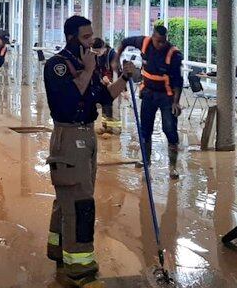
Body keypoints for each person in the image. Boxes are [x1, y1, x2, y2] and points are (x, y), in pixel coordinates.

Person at [44, 15, 124, 287]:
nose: (92, 41)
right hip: (68, 136)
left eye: (92, 36)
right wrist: (89, 69)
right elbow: (70, 99)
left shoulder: (86, 63)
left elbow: (104, 96)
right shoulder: (58, 66)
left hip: (87, 135)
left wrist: (125, 77)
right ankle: (79, 268)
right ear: (71, 38)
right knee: (79, 201)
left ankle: (58, 249)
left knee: (69, 196)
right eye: (86, 37)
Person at [117, 25, 184, 177]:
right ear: (153, 37)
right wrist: (116, 59)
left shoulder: (173, 55)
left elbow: (178, 82)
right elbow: (124, 42)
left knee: (170, 129)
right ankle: (146, 160)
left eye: (164, 41)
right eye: (158, 41)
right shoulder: (144, 42)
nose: (161, 44)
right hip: (148, 93)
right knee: (145, 129)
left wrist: (176, 102)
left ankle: (173, 166)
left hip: (167, 97)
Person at [90, 38, 121, 136]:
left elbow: (118, 72)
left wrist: (112, 82)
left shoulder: (112, 55)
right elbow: (96, 69)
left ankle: (113, 130)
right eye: (94, 51)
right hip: (103, 83)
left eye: (97, 51)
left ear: (103, 48)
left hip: (114, 83)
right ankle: (105, 127)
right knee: (105, 104)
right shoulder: (96, 56)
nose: (96, 53)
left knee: (113, 106)